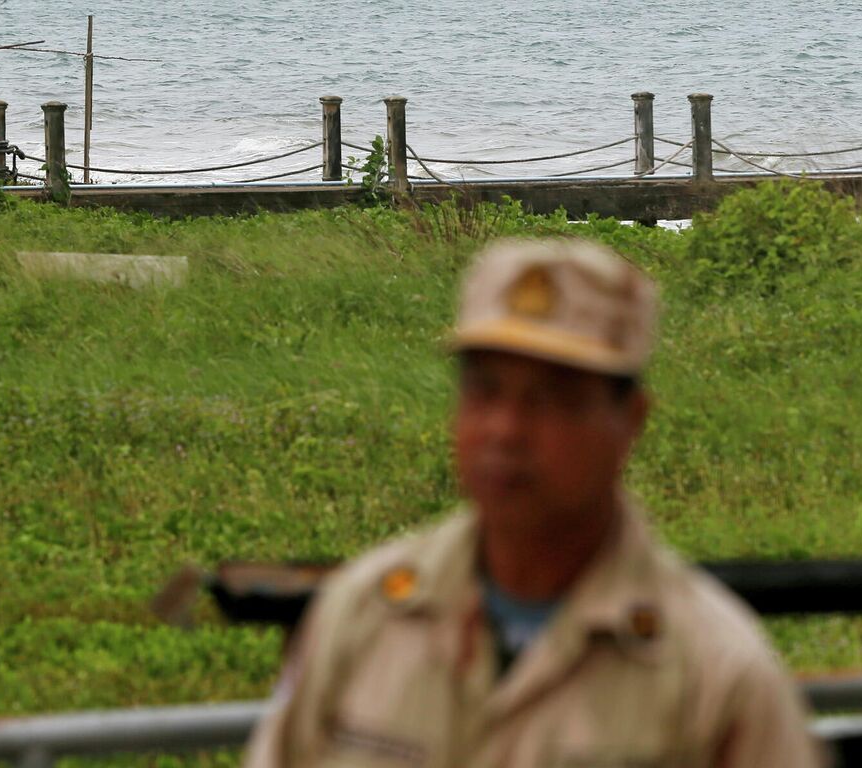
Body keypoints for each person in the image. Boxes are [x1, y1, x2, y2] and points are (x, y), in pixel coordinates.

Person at [245, 239, 821, 768]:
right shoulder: (362, 617)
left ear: (630, 422)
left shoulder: (712, 670)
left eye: (551, 399)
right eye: (484, 391)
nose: (506, 430)